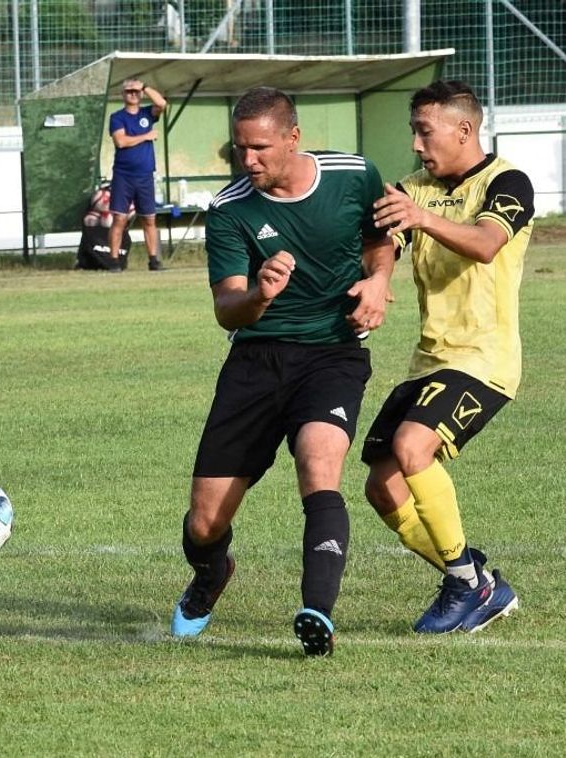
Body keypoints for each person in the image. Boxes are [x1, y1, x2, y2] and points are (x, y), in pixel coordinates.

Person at [170, 87, 394, 656]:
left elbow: (380, 241)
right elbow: (226, 307)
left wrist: (379, 281)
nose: (249, 161)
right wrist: (261, 296)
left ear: (294, 138)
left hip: (333, 355)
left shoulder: (353, 175)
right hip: (255, 360)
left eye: (261, 148)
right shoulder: (229, 209)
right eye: (239, 149)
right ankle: (212, 574)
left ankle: (317, 613)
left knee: (320, 468)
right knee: (203, 524)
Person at [361, 80, 531, 634]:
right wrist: (379, 278)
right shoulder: (416, 187)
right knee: (381, 487)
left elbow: (485, 244)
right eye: (413, 130)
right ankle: (476, 580)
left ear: (464, 129)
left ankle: (465, 583)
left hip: (484, 358)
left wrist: (421, 217)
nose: (415, 143)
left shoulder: (506, 181)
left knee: (413, 449)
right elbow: (385, 237)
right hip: (429, 359)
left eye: (423, 130)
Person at [107, 79, 167, 271]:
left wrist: (146, 86)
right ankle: (114, 261)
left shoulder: (147, 113)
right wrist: (146, 136)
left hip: (145, 176)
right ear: (122, 95)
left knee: (149, 219)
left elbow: (162, 104)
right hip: (123, 175)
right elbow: (121, 142)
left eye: (136, 91)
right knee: (120, 219)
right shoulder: (117, 117)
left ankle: (153, 260)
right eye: (128, 91)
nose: (132, 94)